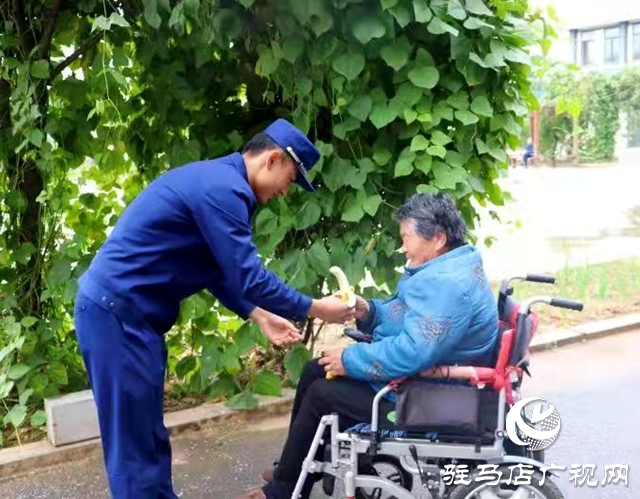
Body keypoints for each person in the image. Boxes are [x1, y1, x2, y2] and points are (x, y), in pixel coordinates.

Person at [73, 118, 355, 498]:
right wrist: (315, 308)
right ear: (273, 159)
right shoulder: (224, 190)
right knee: (133, 448)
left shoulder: (221, 182)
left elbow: (216, 269)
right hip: (116, 316)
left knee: (148, 436)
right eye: (290, 179)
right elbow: (250, 278)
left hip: (130, 318)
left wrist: (257, 313)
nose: (286, 191)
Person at [239, 192, 499, 499]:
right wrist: (368, 311)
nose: (402, 247)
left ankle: (285, 487)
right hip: (434, 384)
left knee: (322, 394)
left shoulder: (447, 284)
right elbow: (407, 317)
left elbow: (413, 350)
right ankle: (293, 470)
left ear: (438, 238)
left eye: (407, 237)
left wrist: (350, 360)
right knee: (314, 370)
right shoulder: (449, 268)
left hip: (433, 398)